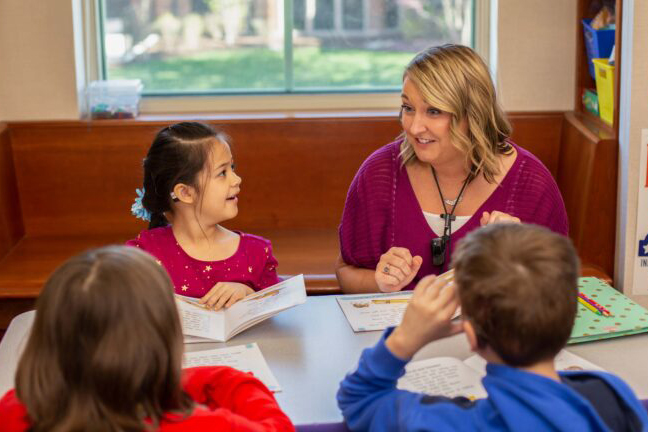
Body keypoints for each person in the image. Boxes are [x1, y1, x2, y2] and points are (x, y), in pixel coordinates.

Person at [337, 224, 648, 431]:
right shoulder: (614, 394)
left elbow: (359, 399)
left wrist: (404, 339)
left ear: (470, 334)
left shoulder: (445, 423)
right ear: (568, 322)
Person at [336, 44, 568, 293]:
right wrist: (380, 282)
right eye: (408, 108)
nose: (414, 128)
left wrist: (519, 262)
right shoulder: (379, 174)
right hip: (402, 331)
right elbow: (345, 272)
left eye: (434, 111)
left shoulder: (531, 184)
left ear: (473, 114)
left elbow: (557, 291)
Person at [0, 246, 294, 431]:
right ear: (159, 342)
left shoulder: (14, 409)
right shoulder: (197, 426)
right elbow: (278, 427)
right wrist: (230, 379)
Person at [127, 122, 280, 310]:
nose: (237, 179)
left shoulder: (257, 253)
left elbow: (277, 311)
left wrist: (249, 295)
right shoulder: (142, 256)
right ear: (185, 193)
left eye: (232, 167)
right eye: (222, 172)